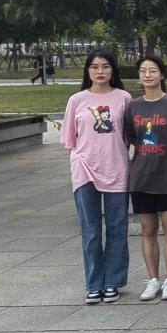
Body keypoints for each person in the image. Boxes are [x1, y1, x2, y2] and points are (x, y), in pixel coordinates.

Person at [61, 48, 133, 305]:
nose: (100, 71)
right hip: (84, 170)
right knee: (90, 230)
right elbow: (70, 140)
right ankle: (93, 284)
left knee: (117, 228)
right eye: (94, 67)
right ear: (87, 71)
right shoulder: (76, 100)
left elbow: (127, 137)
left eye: (105, 66)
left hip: (116, 169)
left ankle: (113, 281)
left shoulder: (124, 98)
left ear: (113, 70)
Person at [124, 54, 167, 302]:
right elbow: (131, 138)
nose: (147, 75)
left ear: (162, 75)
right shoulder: (132, 107)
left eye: (153, 70)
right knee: (148, 229)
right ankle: (153, 279)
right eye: (143, 71)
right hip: (142, 177)